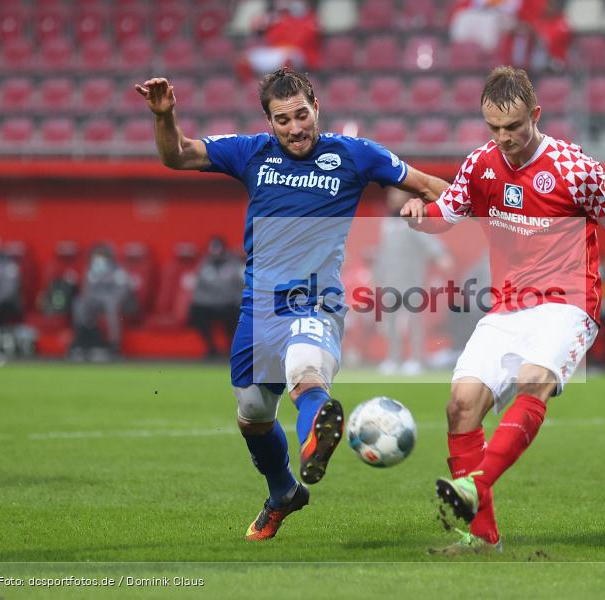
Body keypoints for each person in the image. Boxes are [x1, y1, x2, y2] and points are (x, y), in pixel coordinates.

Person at [135, 68, 450, 542]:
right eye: (283, 120)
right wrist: (165, 116)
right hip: (259, 308)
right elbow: (177, 154)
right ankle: (283, 491)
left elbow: (435, 188)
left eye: (302, 115)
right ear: (269, 122)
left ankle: (315, 439)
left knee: (306, 373)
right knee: (253, 414)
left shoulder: (355, 155)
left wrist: (429, 212)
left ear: (316, 107)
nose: (295, 128)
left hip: (315, 300)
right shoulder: (251, 152)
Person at [400, 66, 605, 553]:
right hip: (508, 307)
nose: (503, 137)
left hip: (568, 303)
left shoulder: (575, 168)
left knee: (534, 380)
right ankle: (482, 537)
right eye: (494, 127)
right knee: (460, 405)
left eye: (513, 126)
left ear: (536, 115)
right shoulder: (481, 164)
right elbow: (448, 213)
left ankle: (475, 484)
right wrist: (420, 216)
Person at [374, 187, 453, 376]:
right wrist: (378, 275)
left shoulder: (413, 220)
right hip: (390, 281)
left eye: (397, 196)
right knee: (390, 322)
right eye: (391, 196)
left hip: (411, 279)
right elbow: (383, 251)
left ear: (406, 198)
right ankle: (393, 358)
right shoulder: (387, 223)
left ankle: (416, 359)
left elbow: (429, 240)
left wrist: (441, 255)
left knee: (414, 322)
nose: (394, 199)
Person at [70, 243, 135, 360]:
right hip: (96, 303)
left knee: (111, 305)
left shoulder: (118, 271)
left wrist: (109, 299)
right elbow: (87, 291)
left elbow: (123, 291)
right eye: (97, 256)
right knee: (79, 304)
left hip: (116, 303)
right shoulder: (91, 271)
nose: (99, 259)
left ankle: (114, 345)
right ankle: (84, 339)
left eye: (102, 256)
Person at [188, 236, 244, 358]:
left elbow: (241, 286)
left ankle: (231, 349)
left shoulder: (234, 264)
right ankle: (211, 348)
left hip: (229, 304)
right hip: (209, 305)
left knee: (237, 313)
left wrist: (235, 300)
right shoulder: (203, 264)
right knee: (196, 311)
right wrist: (205, 301)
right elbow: (197, 288)